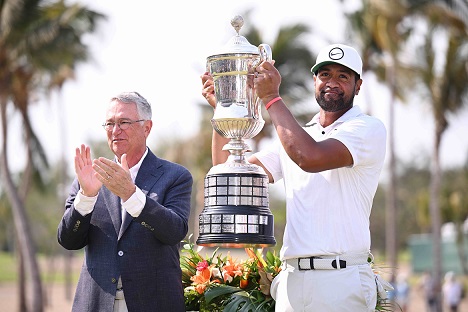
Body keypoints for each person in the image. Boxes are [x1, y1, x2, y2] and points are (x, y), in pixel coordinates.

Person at [201, 43, 388, 311]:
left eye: (343, 76)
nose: (331, 83)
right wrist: (224, 110)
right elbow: (229, 177)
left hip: (342, 278)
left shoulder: (368, 129)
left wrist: (272, 99)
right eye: (325, 75)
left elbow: (309, 157)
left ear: (358, 86)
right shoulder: (295, 137)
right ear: (314, 81)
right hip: (292, 280)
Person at [57, 91, 193, 312]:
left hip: (154, 303)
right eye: (110, 123)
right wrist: (86, 198)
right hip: (97, 304)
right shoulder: (90, 178)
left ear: (147, 127)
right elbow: (68, 240)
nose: (115, 130)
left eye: (124, 122)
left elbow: (174, 231)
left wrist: (132, 195)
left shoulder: (175, 176)